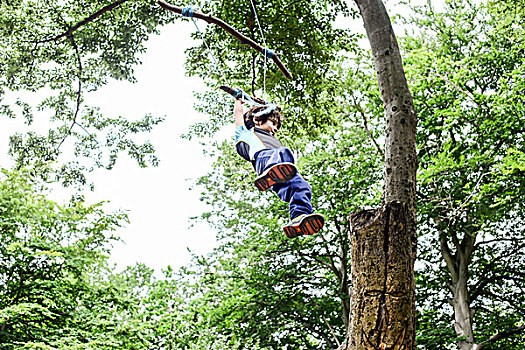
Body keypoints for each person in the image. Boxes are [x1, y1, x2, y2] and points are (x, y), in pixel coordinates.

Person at [233, 95, 324, 238]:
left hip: (282, 170)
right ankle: (272, 172)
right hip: (264, 160)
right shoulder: (247, 133)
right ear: (257, 119)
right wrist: (238, 101)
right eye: (273, 123)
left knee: (302, 186)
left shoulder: (274, 140)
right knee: (284, 152)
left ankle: (299, 218)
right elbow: (239, 116)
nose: (275, 128)